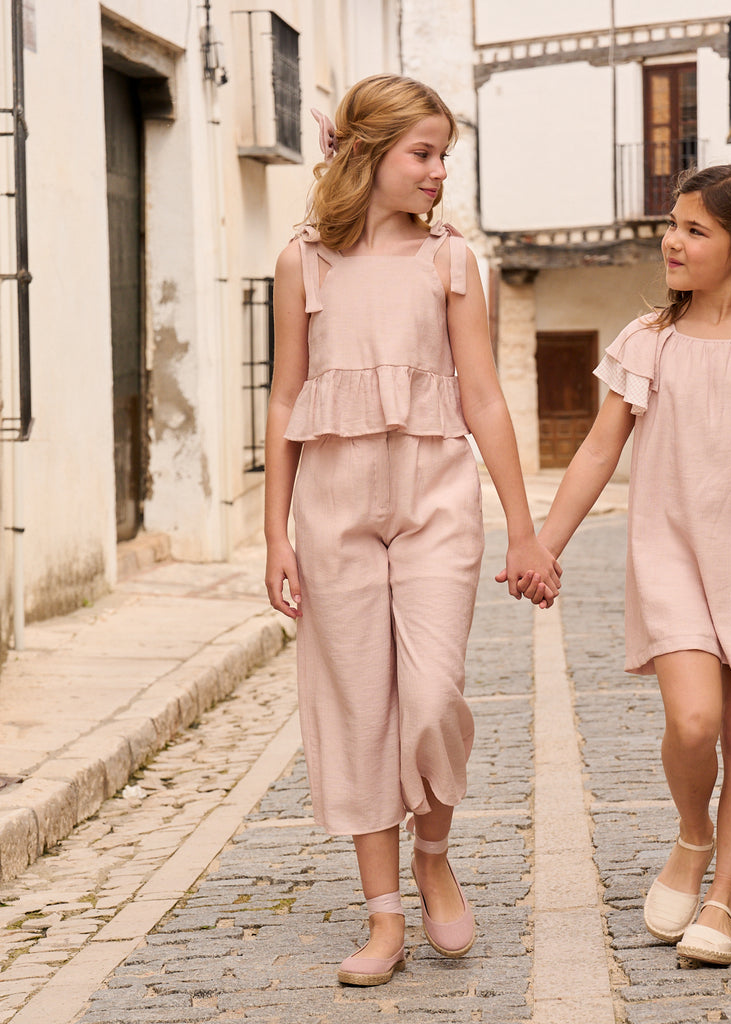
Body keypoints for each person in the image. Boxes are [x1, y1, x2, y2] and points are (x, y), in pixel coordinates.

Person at [513, 163, 731, 966]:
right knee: (694, 720)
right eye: (674, 223)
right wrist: (542, 543)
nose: (672, 239)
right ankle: (693, 836)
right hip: (668, 550)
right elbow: (601, 447)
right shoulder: (647, 342)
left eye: (695, 230)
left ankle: (725, 901)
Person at [264, 74, 561, 987]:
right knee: (356, 704)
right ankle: (384, 917)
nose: (438, 172)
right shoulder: (301, 261)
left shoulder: (450, 262)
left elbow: (482, 397)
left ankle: (433, 848)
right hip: (333, 508)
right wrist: (274, 536)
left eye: (443, 155)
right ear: (366, 154)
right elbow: (282, 399)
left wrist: (525, 529)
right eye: (422, 154)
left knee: (432, 697)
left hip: (436, 500)